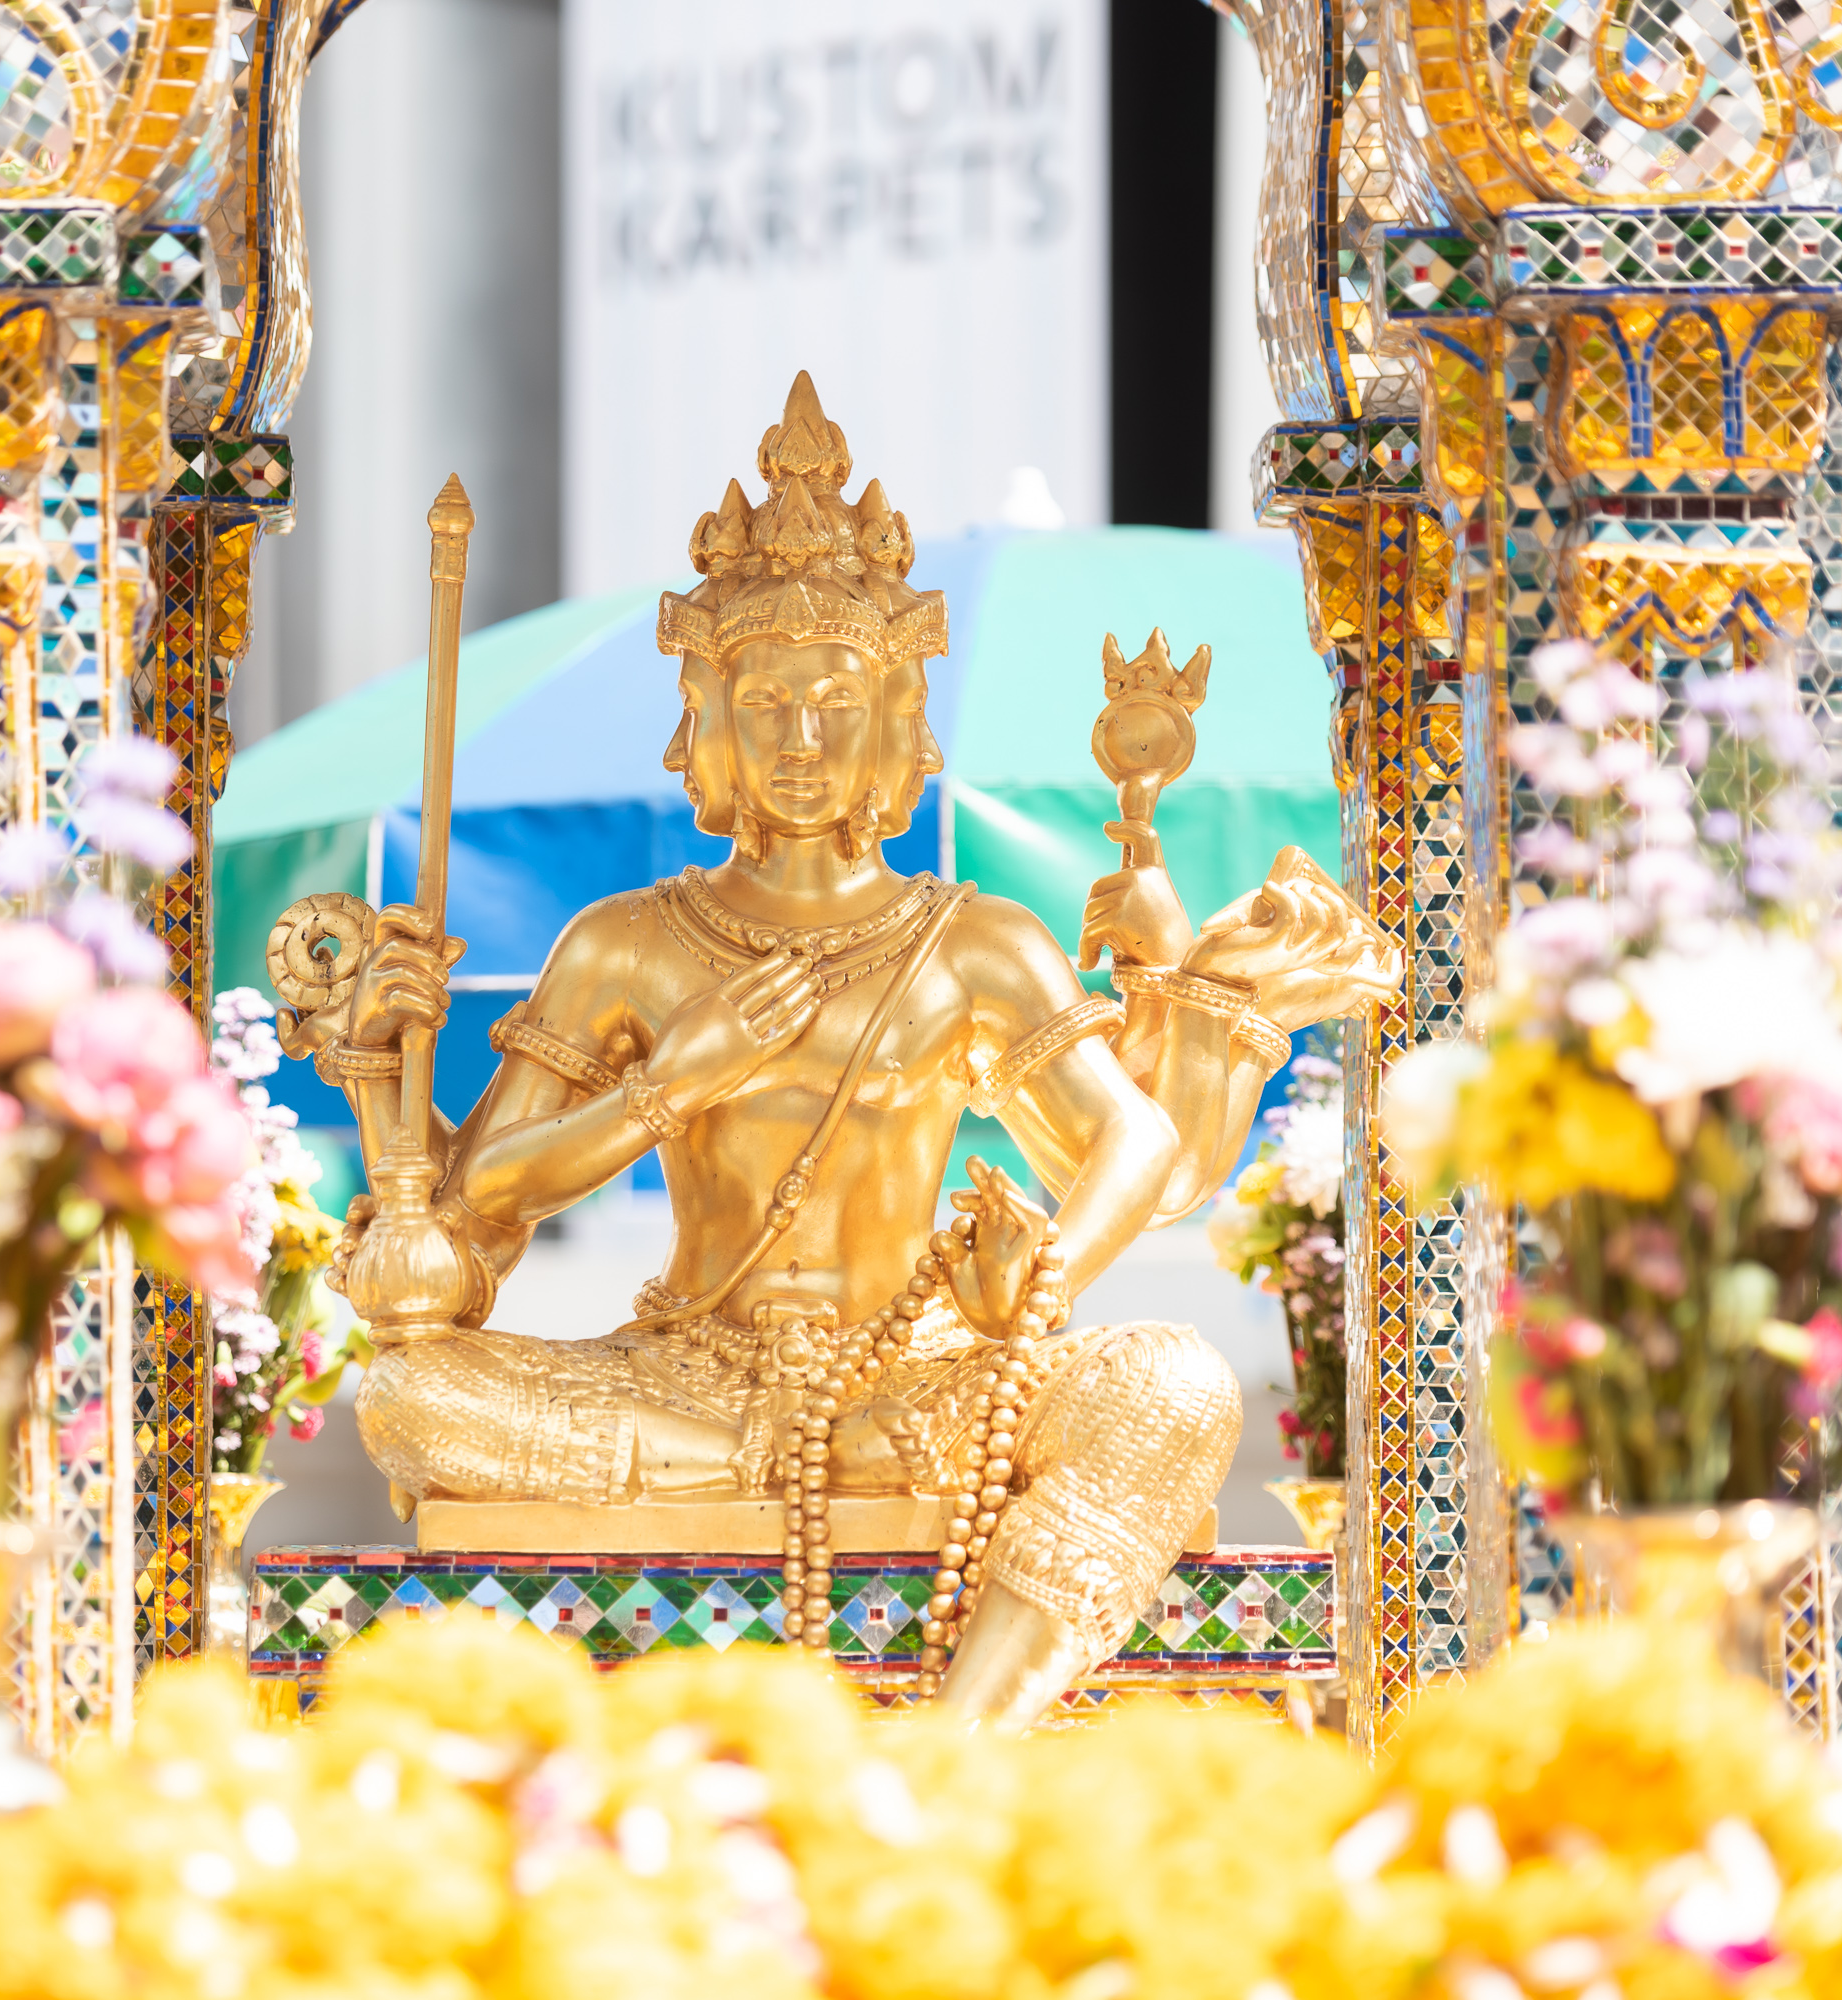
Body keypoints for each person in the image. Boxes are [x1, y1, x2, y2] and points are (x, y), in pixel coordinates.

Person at [290, 375, 1399, 1725]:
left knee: (1170, 1380)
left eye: (835, 707)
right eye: (768, 709)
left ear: (890, 722)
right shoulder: (626, 944)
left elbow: (1141, 1141)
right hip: (689, 1384)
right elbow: (468, 1237)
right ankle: (794, 1505)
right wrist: (651, 1090)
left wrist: (1037, 1287)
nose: (803, 744)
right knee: (411, 1397)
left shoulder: (971, 939)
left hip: (915, 1381)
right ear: (711, 721)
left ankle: (963, 1739)